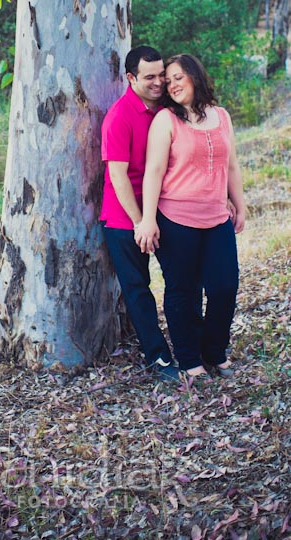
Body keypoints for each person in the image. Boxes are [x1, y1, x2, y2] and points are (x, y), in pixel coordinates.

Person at [137, 53, 246, 382]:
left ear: (196, 77)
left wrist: (240, 205)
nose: (171, 86)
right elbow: (153, 172)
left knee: (225, 287)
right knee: (182, 291)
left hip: (216, 218)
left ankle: (215, 352)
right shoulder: (166, 121)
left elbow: (231, 166)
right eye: (168, 82)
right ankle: (189, 360)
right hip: (175, 219)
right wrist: (147, 219)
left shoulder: (222, 116)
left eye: (177, 78)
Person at [100, 45, 180, 382]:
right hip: (124, 218)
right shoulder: (119, 116)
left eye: (161, 74)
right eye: (149, 77)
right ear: (131, 78)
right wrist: (139, 222)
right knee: (138, 288)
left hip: (163, 209)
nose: (158, 82)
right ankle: (158, 357)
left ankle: (190, 347)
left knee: (180, 281)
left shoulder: (167, 109)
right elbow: (118, 176)